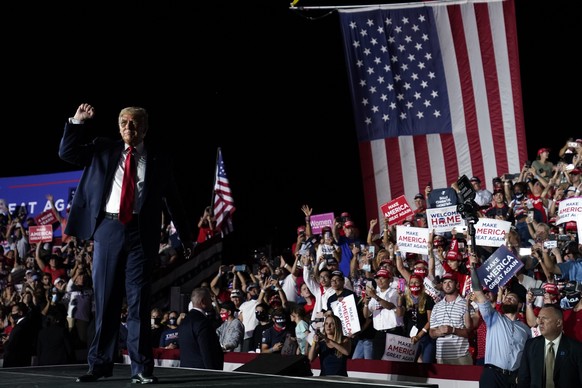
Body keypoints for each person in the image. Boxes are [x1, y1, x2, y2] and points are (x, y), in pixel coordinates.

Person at [59, 103, 194, 384]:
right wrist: (77, 122)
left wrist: (186, 237)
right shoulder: (103, 148)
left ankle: (141, 368)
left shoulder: (159, 159)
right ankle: (98, 366)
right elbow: (67, 153)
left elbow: (174, 201)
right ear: (118, 127)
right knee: (106, 301)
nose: (128, 129)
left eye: (134, 124)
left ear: (145, 128)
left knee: (139, 303)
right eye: (123, 124)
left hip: (141, 235)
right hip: (108, 230)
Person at [470, 264, 530, 387]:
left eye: (512, 298)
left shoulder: (525, 330)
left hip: (513, 379)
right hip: (492, 375)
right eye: (506, 298)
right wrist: (472, 268)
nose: (508, 299)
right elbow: (477, 290)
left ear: (519, 305)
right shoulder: (493, 317)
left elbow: (526, 356)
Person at [517, 304, 582, 388]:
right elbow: (523, 379)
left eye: (544, 318)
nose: (540, 322)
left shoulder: (576, 349)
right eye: (539, 318)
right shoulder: (531, 345)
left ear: (558, 323)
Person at [178, 287, 224, 370]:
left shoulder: (184, 321)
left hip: (185, 368)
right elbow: (207, 351)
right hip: (203, 372)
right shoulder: (203, 322)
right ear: (203, 302)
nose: (211, 302)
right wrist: (213, 373)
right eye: (210, 299)